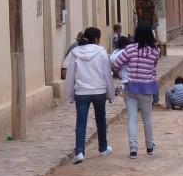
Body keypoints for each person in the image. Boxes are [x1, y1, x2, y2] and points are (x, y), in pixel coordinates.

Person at [65, 26, 114, 164]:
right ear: (97, 39)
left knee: (81, 122)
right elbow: (107, 74)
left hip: (81, 92)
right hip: (99, 91)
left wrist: (69, 96)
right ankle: (103, 148)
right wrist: (111, 94)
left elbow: (70, 76)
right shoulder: (102, 52)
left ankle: (79, 152)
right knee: (101, 120)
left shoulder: (75, 53)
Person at [113, 22, 161, 158]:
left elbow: (117, 64)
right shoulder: (155, 51)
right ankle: (150, 146)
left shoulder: (130, 49)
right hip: (147, 88)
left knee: (132, 118)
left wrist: (120, 72)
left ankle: (133, 149)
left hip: (130, 87)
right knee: (147, 118)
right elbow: (154, 67)